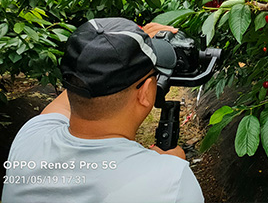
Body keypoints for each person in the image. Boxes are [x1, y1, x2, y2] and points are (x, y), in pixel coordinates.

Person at [1, 18, 205, 203]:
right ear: (144, 93)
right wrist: (170, 168)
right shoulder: (172, 184)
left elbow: (72, 93)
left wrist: (124, 43)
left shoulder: (31, 138)